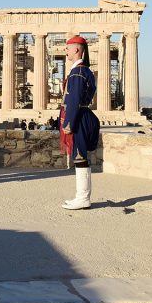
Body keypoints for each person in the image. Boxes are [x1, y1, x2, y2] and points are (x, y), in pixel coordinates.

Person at [59, 36, 100, 210]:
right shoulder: (85, 71)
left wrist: (67, 124)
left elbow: (74, 100)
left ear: (76, 50)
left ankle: (83, 198)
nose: (65, 51)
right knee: (80, 157)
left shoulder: (78, 73)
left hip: (78, 117)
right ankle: (81, 196)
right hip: (83, 115)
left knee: (80, 157)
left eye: (67, 48)